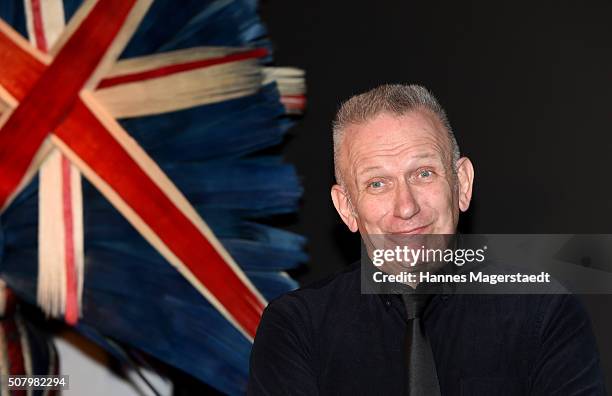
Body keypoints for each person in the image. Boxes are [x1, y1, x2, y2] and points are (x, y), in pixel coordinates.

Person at [247, 84, 606, 395]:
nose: (406, 207)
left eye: (423, 173)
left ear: (461, 184)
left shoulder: (544, 312)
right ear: (347, 208)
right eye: (377, 183)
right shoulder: (297, 329)